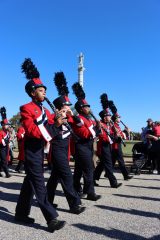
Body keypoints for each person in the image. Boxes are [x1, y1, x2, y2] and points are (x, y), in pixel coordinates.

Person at [15, 58, 65, 232]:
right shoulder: (26, 108)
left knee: (30, 181)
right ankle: (51, 218)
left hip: (40, 150)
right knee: (38, 183)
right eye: (41, 90)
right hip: (31, 149)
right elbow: (33, 131)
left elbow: (54, 123)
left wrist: (62, 115)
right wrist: (56, 125)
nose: (44, 93)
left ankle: (21, 213)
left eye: (44, 90)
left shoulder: (46, 110)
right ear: (32, 92)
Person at [47, 94, 85, 214]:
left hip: (65, 150)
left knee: (54, 178)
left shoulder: (70, 117)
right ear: (59, 107)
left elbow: (80, 124)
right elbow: (49, 132)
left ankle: (47, 200)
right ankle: (74, 204)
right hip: (56, 149)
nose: (69, 107)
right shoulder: (53, 116)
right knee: (67, 176)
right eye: (66, 105)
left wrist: (72, 115)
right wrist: (58, 120)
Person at [71, 84, 101, 201]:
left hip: (87, 145)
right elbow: (85, 134)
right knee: (88, 170)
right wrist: (97, 129)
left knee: (79, 170)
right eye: (86, 106)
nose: (89, 108)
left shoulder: (88, 119)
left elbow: (94, 133)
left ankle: (76, 189)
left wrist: (97, 128)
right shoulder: (78, 119)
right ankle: (90, 192)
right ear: (81, 108)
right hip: (81, 146)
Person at [94, 109, 122, 188]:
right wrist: (113, 138)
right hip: (103, 146)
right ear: (104, 117)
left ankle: (93, 178)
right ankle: (113, 183)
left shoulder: (109, 125)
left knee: (102, 164)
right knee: (108, 165)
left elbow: (112, 136)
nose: (110, 117)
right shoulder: (100, 124)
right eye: (108, 116)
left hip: (108, 146)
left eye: (109, 115)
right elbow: (102, 137)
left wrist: (117, 136)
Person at [111, 113, 133, 180]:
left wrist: (126, 131)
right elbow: (117, 136)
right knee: (121, 161)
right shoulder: (114, 126)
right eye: (118, 117)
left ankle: (107, 173)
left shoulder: (117, 126)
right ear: (115, 119)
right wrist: (126, 132)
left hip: (117, 145)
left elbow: (122, 135)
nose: (120, 119)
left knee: (112, 161)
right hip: (116, 145)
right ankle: (125, 175)